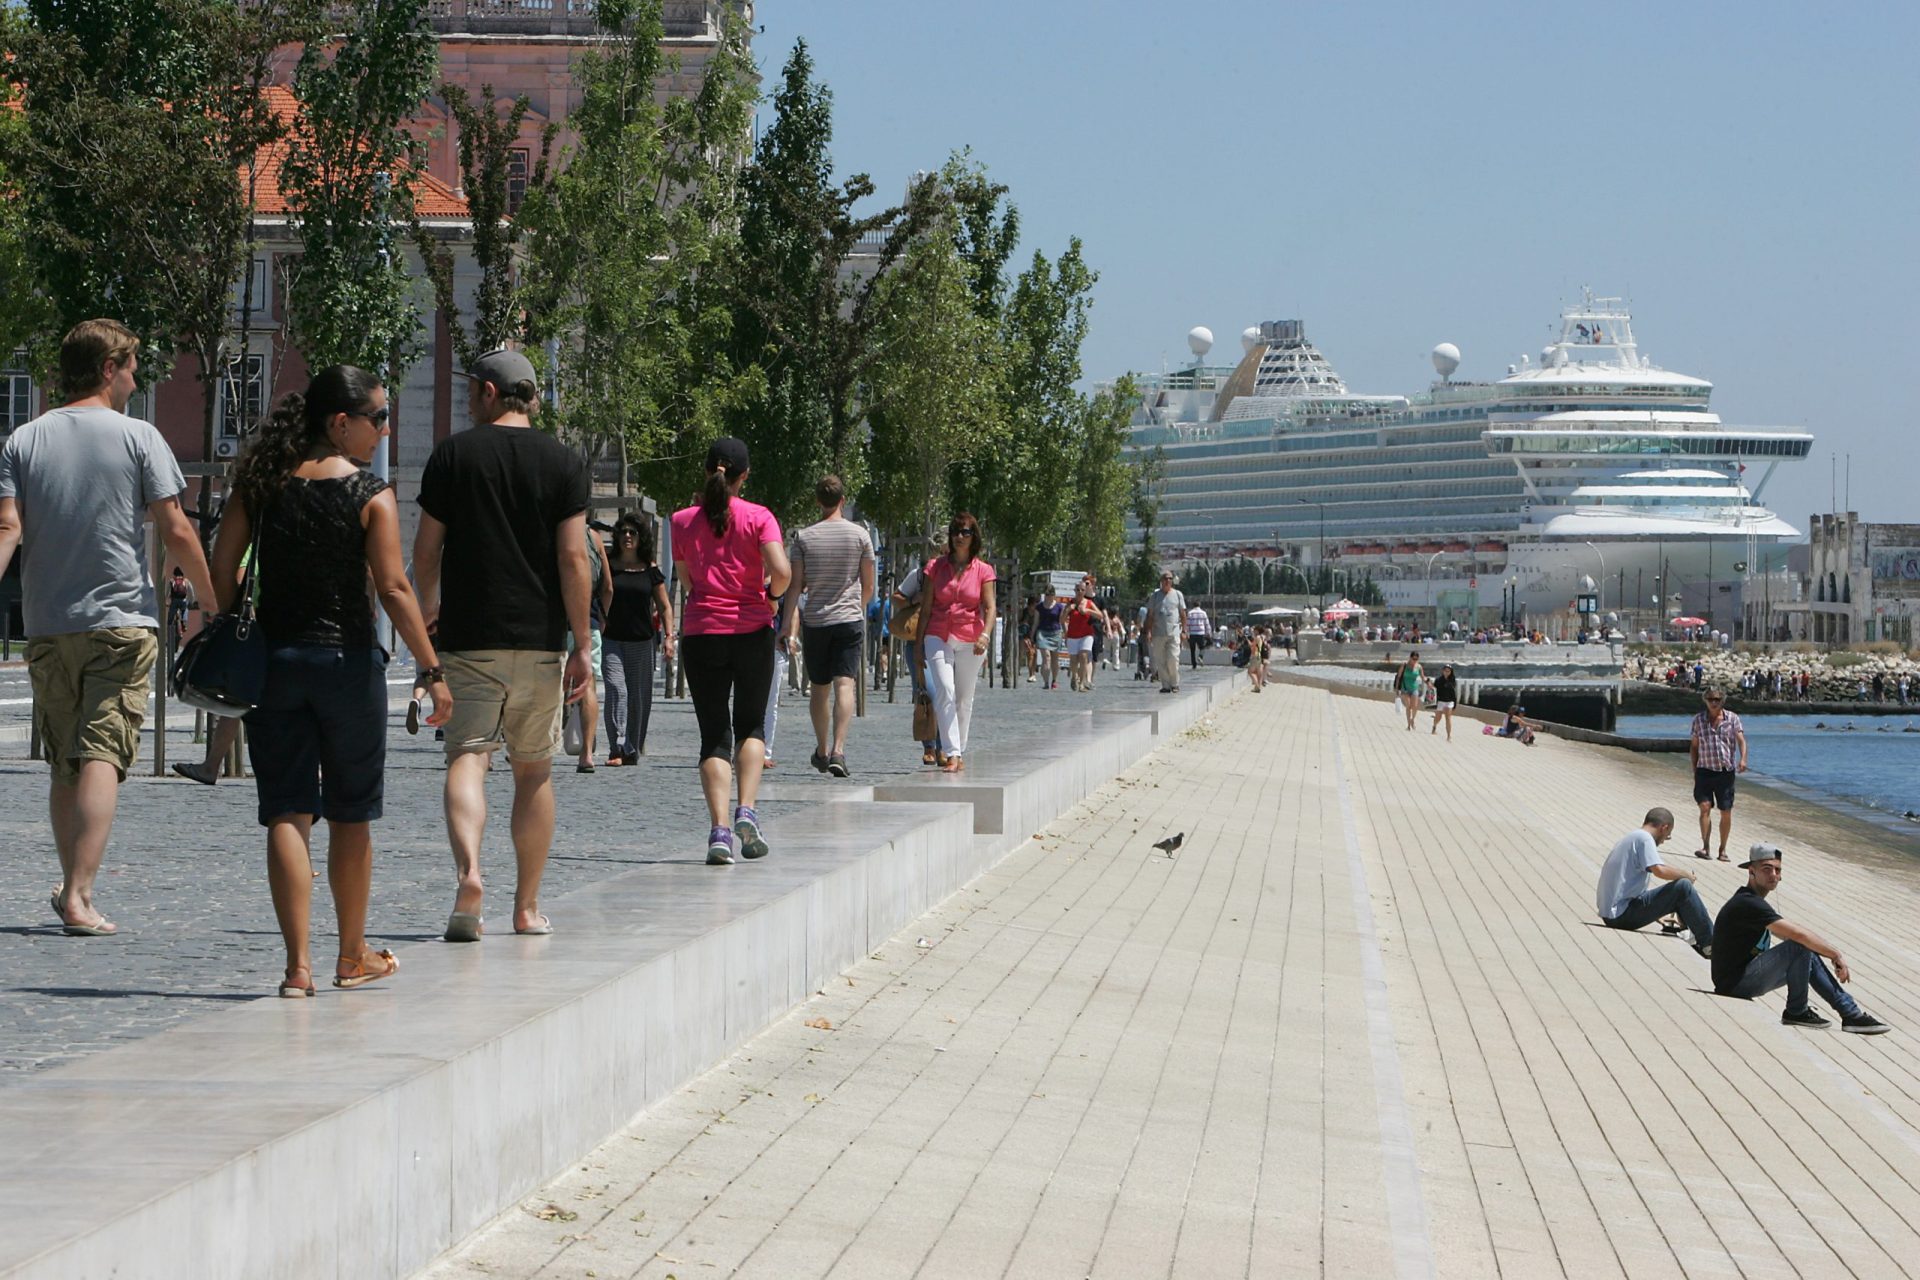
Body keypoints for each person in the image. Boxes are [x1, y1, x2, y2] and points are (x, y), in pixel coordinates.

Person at [211, 366, 452, 996]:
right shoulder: (371, 494)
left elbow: (221, 566)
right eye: (378, 417)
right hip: (347, 665)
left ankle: (297, 968)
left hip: (277, 664)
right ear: (340, 423)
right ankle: (351, 955)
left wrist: (242, 616)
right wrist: (431, 669)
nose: (384, 428)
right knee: (351, 814)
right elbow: (396, 589)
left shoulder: (260, 483)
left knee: (286, 812)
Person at [0, 320, 218, 937]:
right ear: (107, 369)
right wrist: (210, 603)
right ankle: (79, 893)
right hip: (120, 620)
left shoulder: (24, 439)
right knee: (102, 754)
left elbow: (8, 530)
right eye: (132, 366)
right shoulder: (139, 437)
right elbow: (176, 529)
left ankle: (71, 884)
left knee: (65, 760)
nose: (136, 378)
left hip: (48, 624)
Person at [414, 347, 593, 941]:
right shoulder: (564, 462)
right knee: (533, 772)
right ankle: (526, 907)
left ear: (491, 392)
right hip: (539, 641)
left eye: (471, 391)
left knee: (467, 756)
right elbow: (573, 558)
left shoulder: (453, 456)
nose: (468, 401)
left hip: (468, 639)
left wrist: (429, 612)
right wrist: (582, 643)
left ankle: (470, 875)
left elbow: (425, 552)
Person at [671, 437, 790, 862]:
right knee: (751, 727)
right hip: (751, 631)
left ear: (706, 471)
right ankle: (747, 810)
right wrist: (771, 596)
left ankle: (719, 832)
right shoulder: (759, 517)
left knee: (713, 737)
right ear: (745, 476)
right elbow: (781, 571)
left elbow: (687, 581)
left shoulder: (682, 521)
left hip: (703, 634)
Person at [1710, 845, 1890, 1033]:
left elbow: (1790, 933)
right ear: (1751, 871)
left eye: (1777, 870)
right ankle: (1797, 1011)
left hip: (1739, 980)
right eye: (1766, 869)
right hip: (1735, 983)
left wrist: (1821, 950)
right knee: (1799, 947)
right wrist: (1835, 954)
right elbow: (1798, 935)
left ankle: (1850, 1014)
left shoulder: (1753, 901)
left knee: (1805, 951)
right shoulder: (1748, 902)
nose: (1773, 874)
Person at [783, 474, 875, 778]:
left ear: (818, 501)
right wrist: (856, 609)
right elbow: (868, 585)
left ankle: (821, 750)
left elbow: (795, 585)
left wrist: (787, 625)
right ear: (842, 501)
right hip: (849, 618)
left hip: (817, 620)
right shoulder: (860, 535)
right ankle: (839, 750)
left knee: (819, 689)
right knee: (845, 684)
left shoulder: (804, 538)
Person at [922, 513, 997, 771]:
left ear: (974, 536)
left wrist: (985, 635)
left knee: (964, 697)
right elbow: (927, 606)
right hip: (938, 633)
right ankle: (951, 752)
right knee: (945, 689)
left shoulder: (983, 570)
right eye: (956, 531)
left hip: (970, 637)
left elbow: (989, 607)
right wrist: (921, 641)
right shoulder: (935, 567)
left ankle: (959, 750)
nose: (960, 537)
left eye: (966, 532)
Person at [602, 513, 674, 764]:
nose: (628, 536)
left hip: (642, 642)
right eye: (623, 532)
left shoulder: (650, 569)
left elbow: (665, 607)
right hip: (611, 639)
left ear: (641, 537)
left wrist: (669, 638)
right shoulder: (608, 566)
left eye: (633, 532)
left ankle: (632, 747)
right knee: (615, 688)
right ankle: (617, 745)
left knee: (638, 696)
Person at [1595, 807, 1714, 956]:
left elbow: (1629, 888)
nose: (1664, 841)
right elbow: (1659, 870)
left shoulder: (1632, 837)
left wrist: (1657, 915)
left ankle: (1689, 931)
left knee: (1678, 892)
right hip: (1620, 915)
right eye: (1667, 836)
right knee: (1683, 886)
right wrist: (1686, 875)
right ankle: (1711, 944)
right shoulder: (1645, 838)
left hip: (1614, 913)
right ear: (1664, 828)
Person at [567, 522, 613, 772]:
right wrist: (602, 617)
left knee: (547, 683)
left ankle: (535, 749)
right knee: (589, 685)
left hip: (555, 621)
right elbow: (607, 586)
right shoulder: (593, 537)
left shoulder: (551, 530)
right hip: (589, 620)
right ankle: (586, 753)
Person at [1690, 689, 1747, 862]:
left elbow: (1741, 741)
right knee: (1705, 808)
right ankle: (1706, 848)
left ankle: (1722, 850)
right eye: (1710, 699)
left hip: (1725, 772)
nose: (1713, 702)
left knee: (1726, 811)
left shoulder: (1732, 719)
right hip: (1704, 771)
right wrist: (1695, 769)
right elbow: (1694, 746)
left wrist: (1743, 759)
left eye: (1717, 699)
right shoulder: (1699, 720)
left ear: (1722, 700)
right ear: (1705, 700)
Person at [1143, 570, 1187, 694]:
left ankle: (1175, 683)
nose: (1168, 581)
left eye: (1170, 579)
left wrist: (1184, 630)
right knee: (1160, 660)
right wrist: (1149, 631)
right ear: (1161, 581)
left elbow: (1183, 614)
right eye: (1165, 578)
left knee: (1173, 659)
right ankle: (1166, 685)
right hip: (1158, 633)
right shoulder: (1155, 596)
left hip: (1173, 632)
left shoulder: (1178, 595)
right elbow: (1150, 615)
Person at [1064, 578, 1101, 692]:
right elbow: (1061, 620)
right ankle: (1074, 677)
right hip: (1073, 635)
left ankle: (1081, 682)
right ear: (1074, 591)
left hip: (1086, 634)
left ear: (1085, 591)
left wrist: (1087, 611)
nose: (1080, 592)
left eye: (1082, 590)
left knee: (1084, 656)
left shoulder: (1089, 603)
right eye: (1078, 590)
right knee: (1074, 660)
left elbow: (1100, 615)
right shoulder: (1070, 603)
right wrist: (1067, 611)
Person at [1032, 589, 1064, 689]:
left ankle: (1054, 680)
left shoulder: (1059, 607)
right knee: (1046, 657)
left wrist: (1066, 633)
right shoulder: (1039, 607)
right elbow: (1036, 622)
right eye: (1047, 594)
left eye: (1051, 594)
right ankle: (1046, 682)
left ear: (1054, 595)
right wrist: (1032, 634)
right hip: (1042, 633)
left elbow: (1062, 621)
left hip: (1055, 633)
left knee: (1055, 659)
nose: (1049, 596)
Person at [1395, 650, 1423, 730]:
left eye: (1416, 659)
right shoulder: (1404, 665)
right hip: (1405, 688)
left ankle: (1412, 720)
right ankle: (1408, 725)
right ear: (1410, 658)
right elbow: (1398, 677)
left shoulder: (1419, 667)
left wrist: (1429, 683)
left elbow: (1423, 677)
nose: (1414, 660)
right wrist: (1397, 689)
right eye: (1413, 659)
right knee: (1408, 706)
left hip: (1414, 688)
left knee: (1415, 707)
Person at [1429, 663, 1458, 740]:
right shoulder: (1438, 680)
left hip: (1449, 702)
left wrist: (1455, 704)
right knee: (1438, 717)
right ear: (1443, 671)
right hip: (1440, 701)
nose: (1447, 672)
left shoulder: (1452, 680)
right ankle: (1434, 726)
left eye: (1448, 671)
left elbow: (1453, 693)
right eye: (1445, 671)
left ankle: (1448, 736)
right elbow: (1434, 690)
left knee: (1448, 718)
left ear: (1451, 672)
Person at [1185, 600, 1211, 669]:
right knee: (1202, 648)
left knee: (1192, 650)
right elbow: (1207, 624)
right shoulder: (1203, 613)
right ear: (1199, 605)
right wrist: (1208, 633)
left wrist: (1186, 633)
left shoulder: (1190, 613)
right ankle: (1200, 657)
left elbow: (1187, 624)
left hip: (1192, 633)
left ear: (1193, 605)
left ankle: (1194, 665)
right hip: (1200, 633)